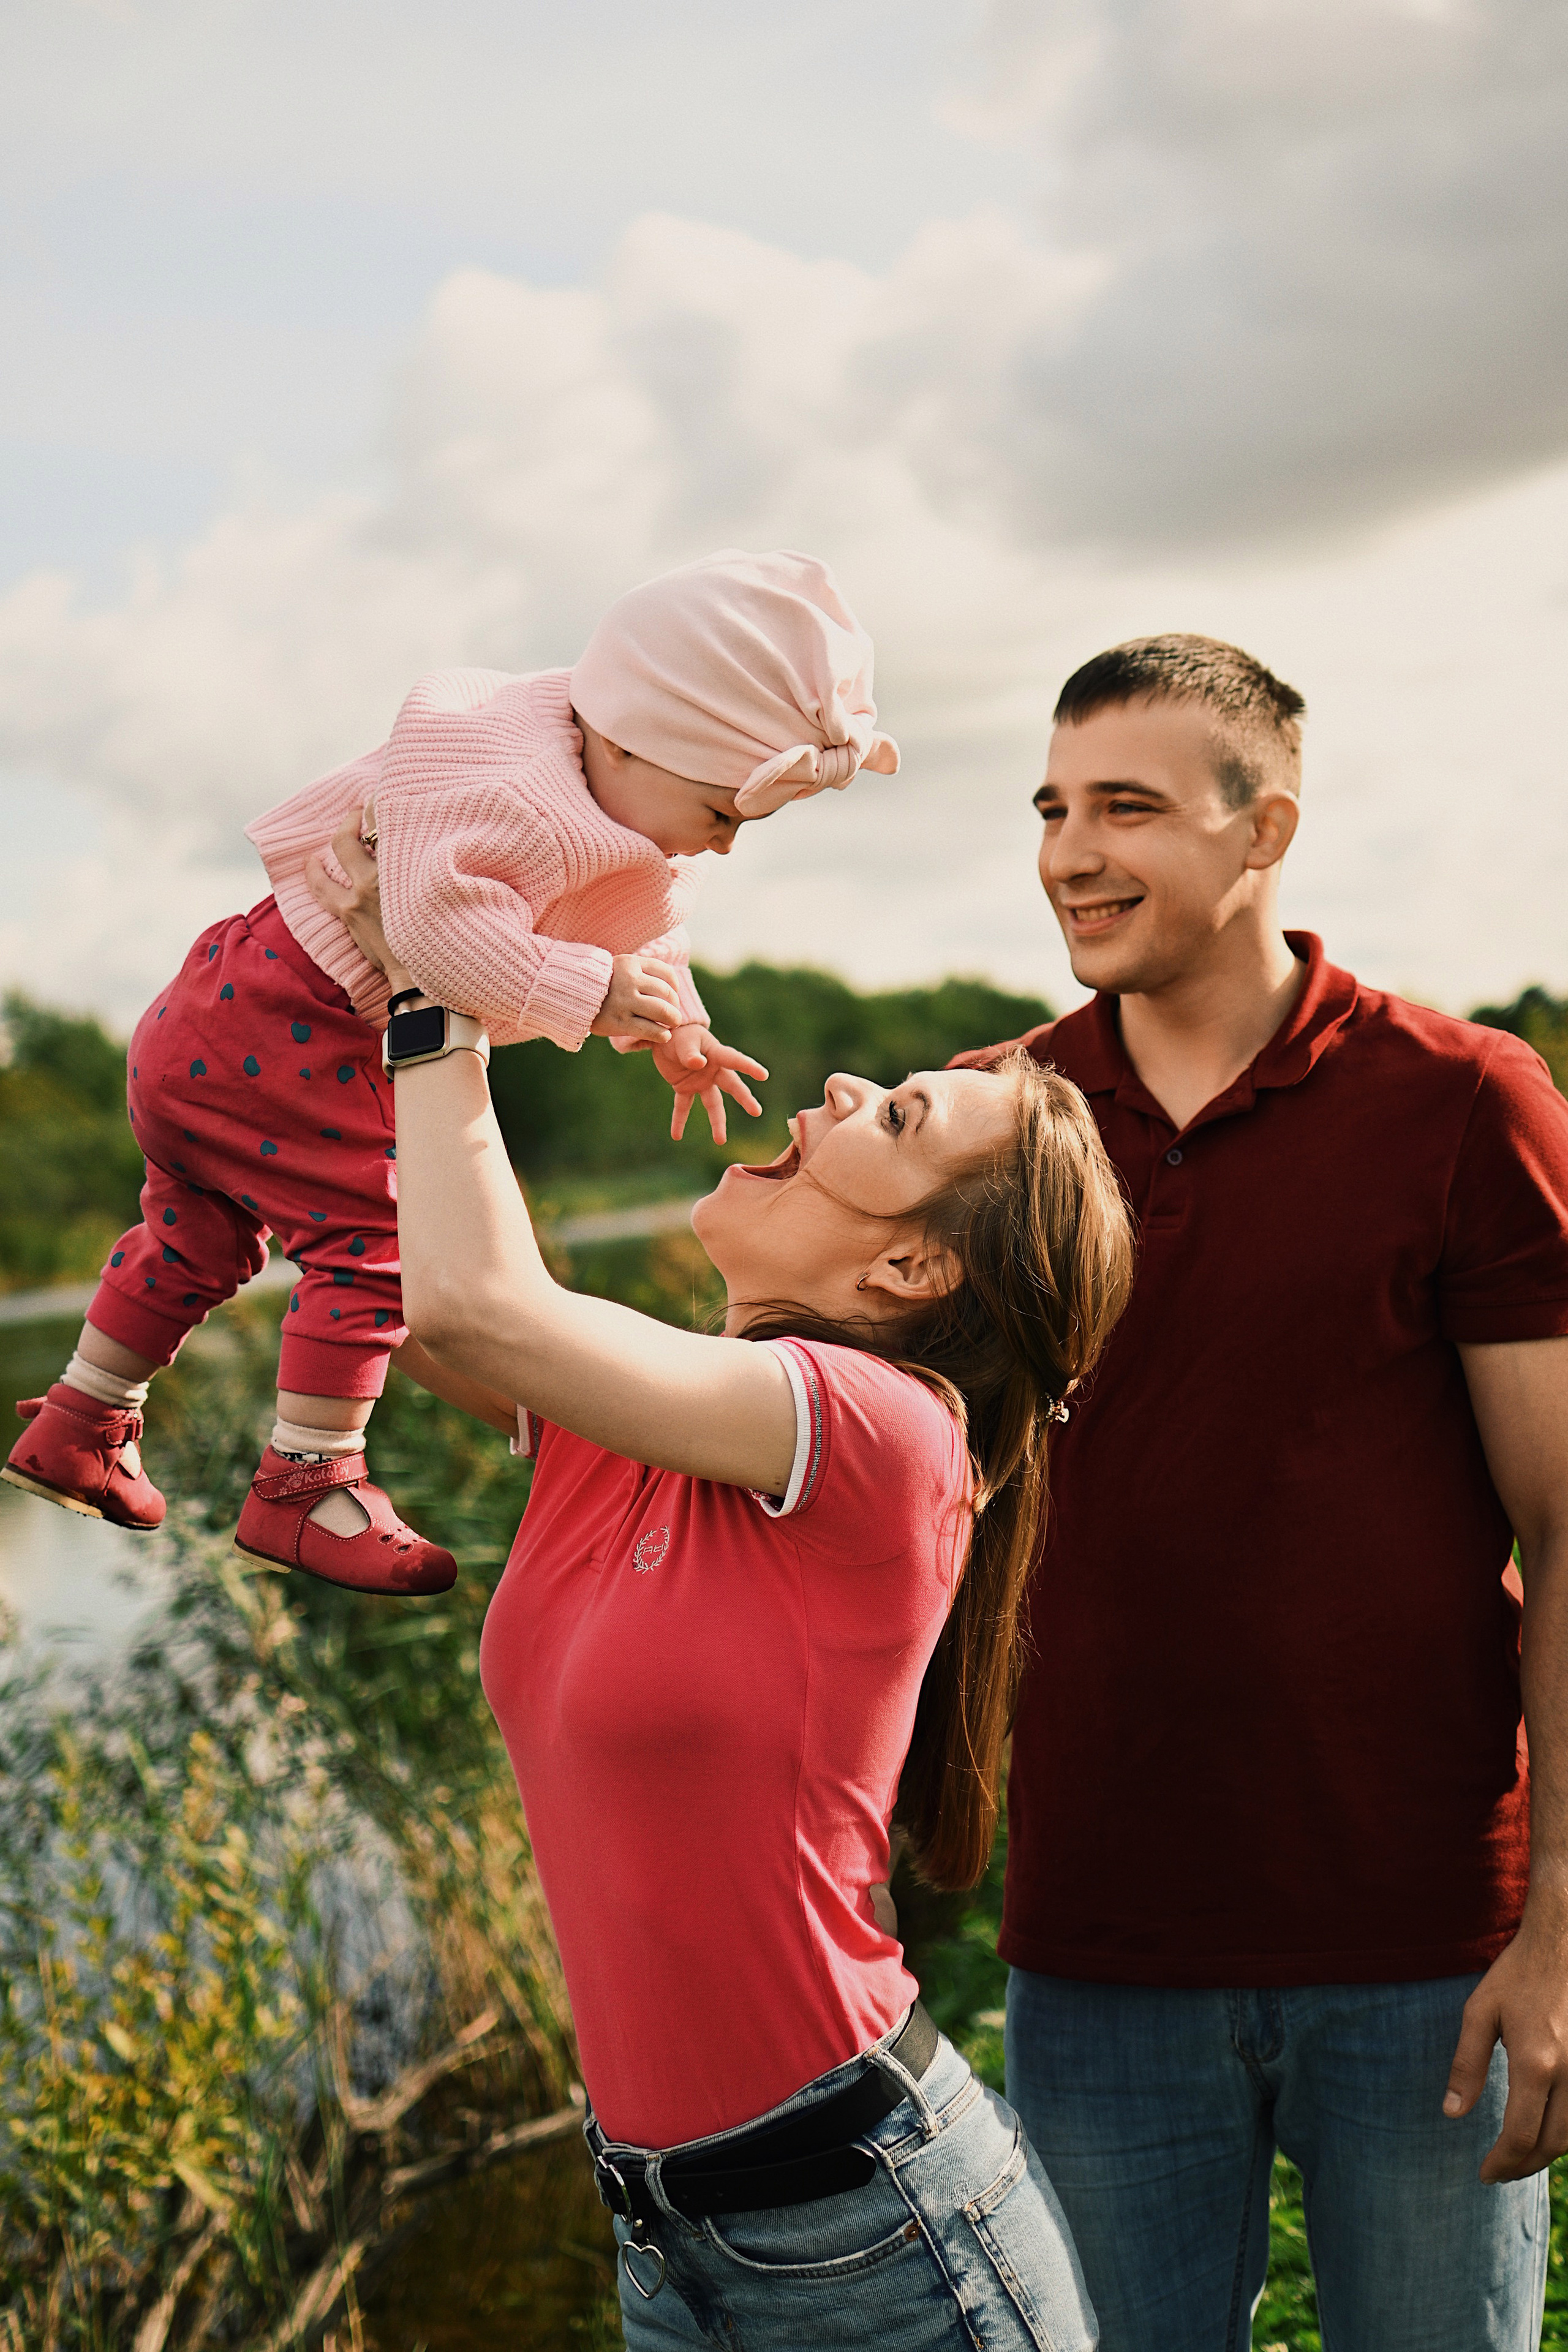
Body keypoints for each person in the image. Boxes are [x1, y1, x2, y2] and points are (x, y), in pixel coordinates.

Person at [304, 823, 1134, 2350]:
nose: (833, 1092)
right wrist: (393, 931)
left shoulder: (891, 1435)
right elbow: (389, 1273)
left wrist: (447, 992)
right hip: (668, 2237)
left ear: (910, 1274)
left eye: (893, 1113)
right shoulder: (633, 1430)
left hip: (875, 2241)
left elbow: (477, 1306)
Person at [952, 634, 1568, 2351]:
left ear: (1262, 827)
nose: (1072, 851)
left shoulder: (1463, 1102)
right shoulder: (1002, 1122)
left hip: (1427, 1953)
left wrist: (1563, 1932)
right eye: (1054, 807)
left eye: (1127, 807)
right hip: (1095, 1949)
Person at [3, 549, 899, 1598]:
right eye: (724, 814)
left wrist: (676, 1027)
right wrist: (593, 996)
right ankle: (307, 1483)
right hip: (299, 1031)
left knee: (196, 1235)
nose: (727, 847)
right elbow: (430, 941)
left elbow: (640, 924)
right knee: (383, 1250)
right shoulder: (508, 789)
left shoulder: (602, 788)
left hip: (213, 1016)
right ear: (635, 739)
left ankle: (82, 1418)